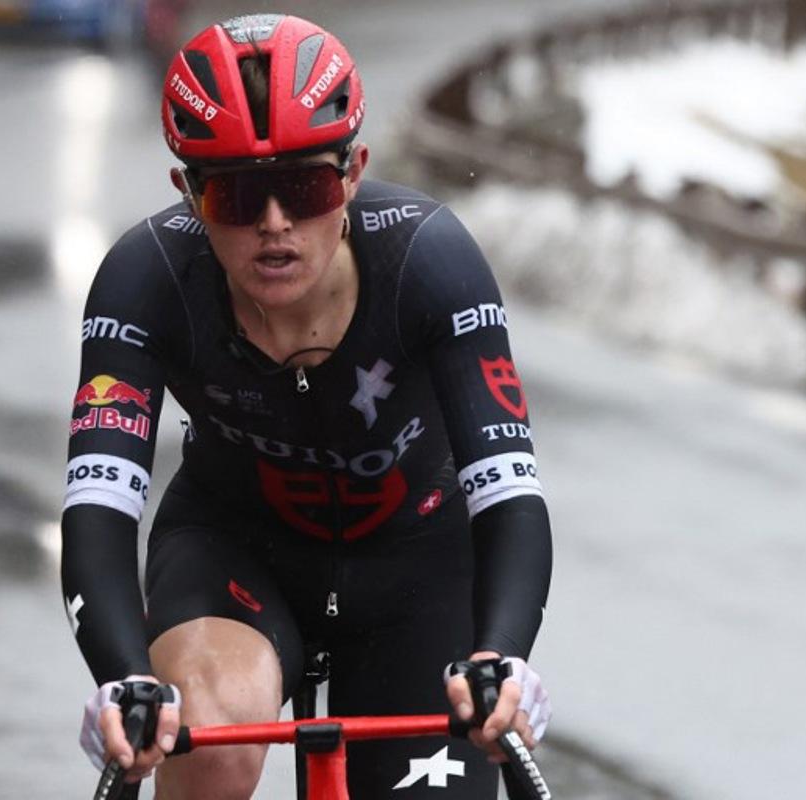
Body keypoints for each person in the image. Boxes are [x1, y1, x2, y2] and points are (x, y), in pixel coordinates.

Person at [61, 13, 553, 799]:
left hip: (417, 562)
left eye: (304, 186)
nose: (274, 225)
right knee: (208, 740)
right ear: (186, 191)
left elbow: (509, 492)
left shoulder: (431, 261)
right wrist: (123, 679)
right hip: (234, 554)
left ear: (353, 170)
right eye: (234, 195)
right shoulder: (144, 280)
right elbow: (97, 509)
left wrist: (502, 654)